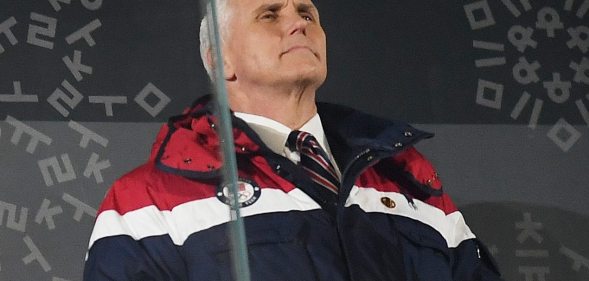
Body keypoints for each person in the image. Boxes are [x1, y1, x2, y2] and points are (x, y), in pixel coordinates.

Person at [83, 0, 503, 280]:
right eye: (270, 14)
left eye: (307, 12)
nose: (298, 22)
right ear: (220, 59)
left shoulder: (407, 178)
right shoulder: (147, 203)